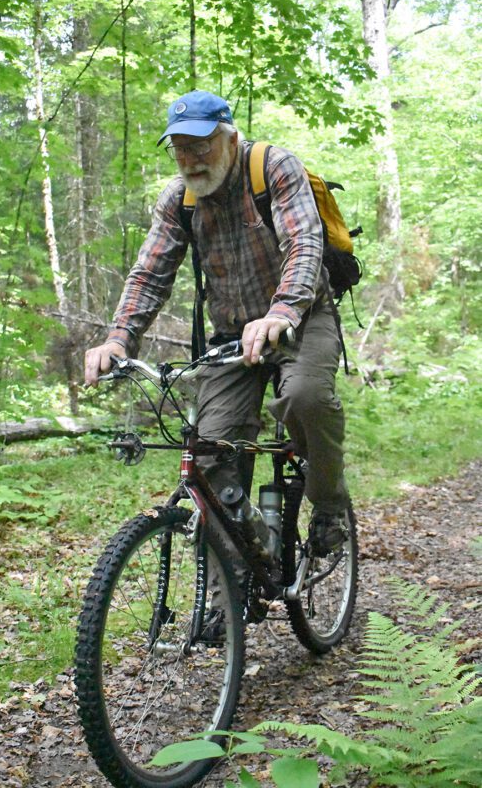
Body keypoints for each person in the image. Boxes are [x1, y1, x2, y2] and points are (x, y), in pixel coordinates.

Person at [84, 89, 349, 558]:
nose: (189, 158)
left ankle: (328, 504)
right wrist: (119, 339)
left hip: (302, 317)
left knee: (304, 396)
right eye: (179, 148)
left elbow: (303, 243)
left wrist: (281, 311)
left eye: (200, 145)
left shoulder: (272, 167)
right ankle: (235, 582)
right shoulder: (178, 199)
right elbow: (150, 273)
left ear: (231, 138)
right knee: (209, 455)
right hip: (231, 338)